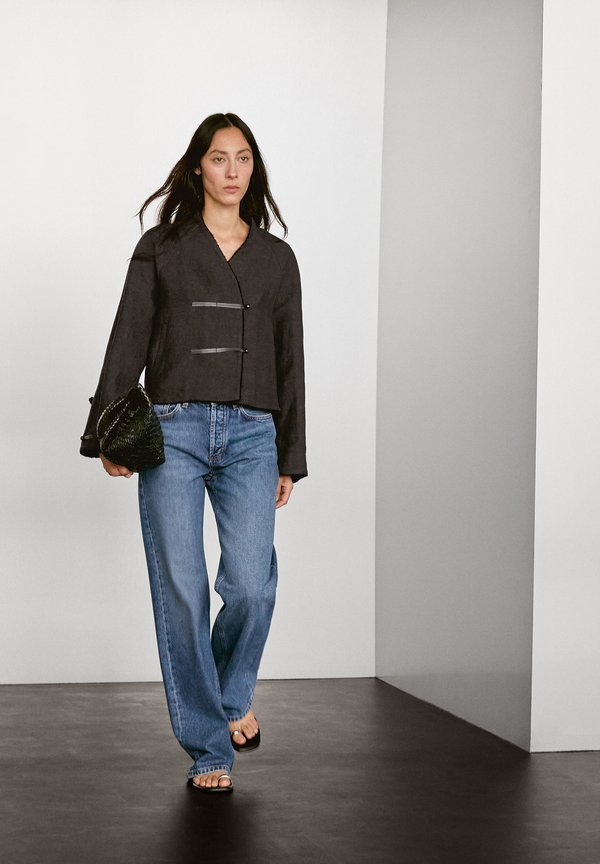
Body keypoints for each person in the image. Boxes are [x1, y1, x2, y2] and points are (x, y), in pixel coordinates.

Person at [79, 112, 307, 793]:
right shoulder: (162, 248)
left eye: (243, 158)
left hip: (253, 436)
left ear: (254, 169)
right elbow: (128, 336)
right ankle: (210, 745)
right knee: (180, 588)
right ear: (197, 168)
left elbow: (290, 361)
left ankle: (231, 698)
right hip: (171, 432)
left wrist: (290, 455)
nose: (232, 170)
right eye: (218, 158)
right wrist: (103, 434)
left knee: (251, 584)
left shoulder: (277, 259)